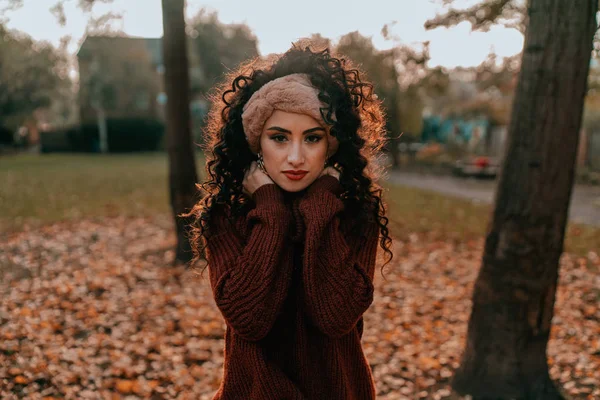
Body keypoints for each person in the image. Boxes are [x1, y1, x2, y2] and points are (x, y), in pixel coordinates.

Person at [186, 43, 393, 400]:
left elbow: (335, 316)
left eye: (312, 138)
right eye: (279, 138)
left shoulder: (355, 214)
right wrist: (271, 213)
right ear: (256, 142)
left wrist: (320, 207)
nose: (295, 157)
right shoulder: (227, 215)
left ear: (331, 145)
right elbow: (249, 319)